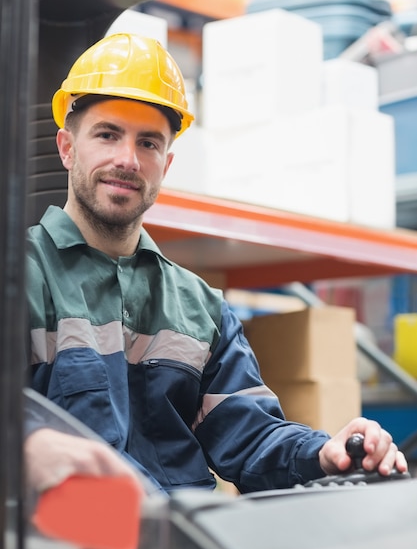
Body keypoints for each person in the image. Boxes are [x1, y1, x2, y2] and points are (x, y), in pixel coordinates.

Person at [26, 32, 407, 495]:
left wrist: (323, 452)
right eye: (107, 134)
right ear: (67, 148)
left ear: (165, 166)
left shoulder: (200, 308)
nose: (127, 159)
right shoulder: (20, 277)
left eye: (148, 143)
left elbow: (249, 439)